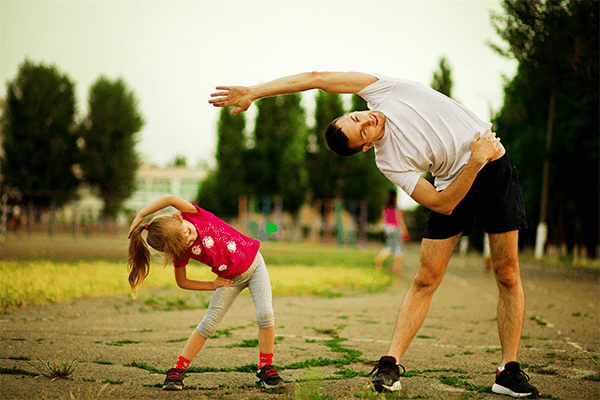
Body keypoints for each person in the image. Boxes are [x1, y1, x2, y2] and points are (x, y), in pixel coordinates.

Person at [209, 72, 538, 398]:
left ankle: (508, 371)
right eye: (363, 130)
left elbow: (315, 78)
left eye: (358, 116)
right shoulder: (389, 161)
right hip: (453, 184)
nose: (368, 120)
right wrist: (473, 161)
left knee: (507, 273)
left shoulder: (384, 91)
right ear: (366, 146)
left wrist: (254, 91)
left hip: (495, 170)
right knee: (426, 278)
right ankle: (390, 365)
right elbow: (443, 203)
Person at [127, 195, 285, 391]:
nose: (190, 237)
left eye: (187, 232)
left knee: (265, 314)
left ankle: (265, 368)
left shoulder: (195, 215)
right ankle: (177, 369)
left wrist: (142, 214)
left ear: (179, 218)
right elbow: (182, 282)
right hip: (228, 279)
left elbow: (169, 199)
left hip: (255, 265)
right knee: (208, 324)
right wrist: (213, 285)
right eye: (185, 242)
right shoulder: (181, 250)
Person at [374, 189, 408, 276]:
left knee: (390, 247)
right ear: (395, 197)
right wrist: (404, 230)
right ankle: (397, 269)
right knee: (399, 249)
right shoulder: (396, 207)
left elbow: (383, 219)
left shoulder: (385, 207)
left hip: (387, 228)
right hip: (394, 229)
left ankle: (379, 260)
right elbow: (399, 220)